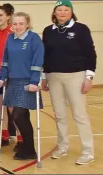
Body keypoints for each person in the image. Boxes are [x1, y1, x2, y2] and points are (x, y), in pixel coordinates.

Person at [42, 0, 96, 165]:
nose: (63, 13)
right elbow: (45, 56)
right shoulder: (48, 31)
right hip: (54, 77)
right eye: (59, 10)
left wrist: (88, 77)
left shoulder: (81, 29)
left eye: (66, 10)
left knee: (80, 115)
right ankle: (63, 146)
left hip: (76, 76)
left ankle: (88, 151)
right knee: (59, 115)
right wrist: (44, 77)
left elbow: (90, 54)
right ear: (54, 12)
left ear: (71, 12)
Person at [0, 12, 45, 160]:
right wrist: (2, 77)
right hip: (12, 81)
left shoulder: (34, 38)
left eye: (21, 24)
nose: (17, 27)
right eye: (15, 24)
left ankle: (29, 148)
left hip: (27, 82)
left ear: (27, 24)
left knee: (18, 115)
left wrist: (34, 81)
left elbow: (38, 61)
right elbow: (5, 60)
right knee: (20, 116)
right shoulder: (10, 38)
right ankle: (28, 148)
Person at [0, 3, 18, 148]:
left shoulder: (12, 33)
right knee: (1, 106)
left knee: (13, 107)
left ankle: (20, 137)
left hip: (9, 74)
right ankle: (4, 135)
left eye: (0, 15)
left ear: (8, 16)